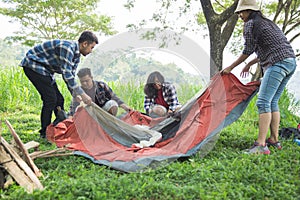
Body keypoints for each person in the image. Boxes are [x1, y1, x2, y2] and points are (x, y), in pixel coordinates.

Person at [222, 0, 297, 154]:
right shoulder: (267, 23)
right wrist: (250, 63)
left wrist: (230, 67)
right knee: (273, 101)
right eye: (238, 13)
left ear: (250, 11)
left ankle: (261, 145)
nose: (240, 15)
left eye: (242, 12)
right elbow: (274, 46)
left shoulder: (251, 24)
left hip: (278, 63)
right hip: (290, 62)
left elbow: (248, 49)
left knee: (263, 102)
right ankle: (274, 140)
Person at [19, 31, 98, 138]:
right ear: (84, 44)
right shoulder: (67, 48)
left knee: (59, 99)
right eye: (91, 47)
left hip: (46, 71)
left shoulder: (76, 57)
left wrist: (76, 95)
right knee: (50, 99)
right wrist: (83, 94)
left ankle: (61, 127)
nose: (91, 51)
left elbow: (70, 78)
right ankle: (45, 133)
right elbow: (67, 75)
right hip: (33, 65)